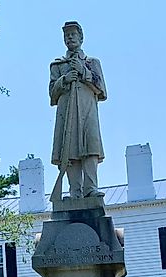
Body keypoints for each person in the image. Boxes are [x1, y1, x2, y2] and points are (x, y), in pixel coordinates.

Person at [49, 21, 107, 200]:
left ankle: (90, 188)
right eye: (67, 35)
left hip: (88, 111)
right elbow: (52, 93)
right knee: (69, 150)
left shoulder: (92, 63)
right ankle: (74, 191)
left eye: (73, 34)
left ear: (81, 37)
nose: (70, 37)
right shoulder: (58, 65)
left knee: (91, 147)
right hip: (66, 114)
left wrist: (84, 72)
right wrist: (64, 79)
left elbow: (102, 90)